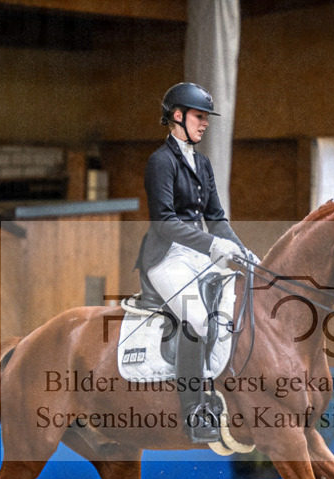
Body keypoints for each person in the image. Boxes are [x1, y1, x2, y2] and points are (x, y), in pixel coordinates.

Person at [134, 82, 255, 443]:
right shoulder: (160, 162)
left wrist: (244, 253)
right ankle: (194, 411)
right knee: (198, 319)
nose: (204, 124)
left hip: (198, 254)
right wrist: (211, 244)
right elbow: (165, 222)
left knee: (234, 311)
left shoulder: (202, 163)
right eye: (199, 117)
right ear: (177, 116)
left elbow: (217, 217)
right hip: (166, 257)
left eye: (205, 118)